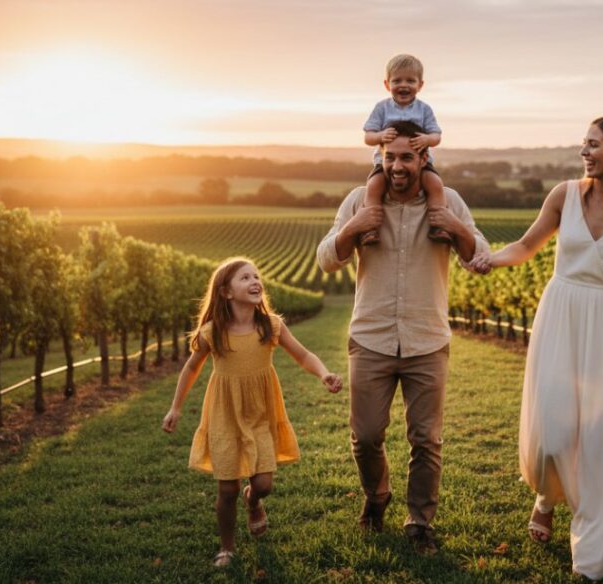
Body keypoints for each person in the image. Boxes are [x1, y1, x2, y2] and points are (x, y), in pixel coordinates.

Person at [470, 114, 603, 580]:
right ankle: (546, 496)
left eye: (593, 143)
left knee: (600, 438)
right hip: (560, 315)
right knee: (554, 433)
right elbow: (525, 244)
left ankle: (593, 553)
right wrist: (490, 260)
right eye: (584, 142)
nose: (584, 150)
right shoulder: (564, 194)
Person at [317, 121, 490, 555]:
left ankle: (419, 522)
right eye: (389, 157)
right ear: (380, 158)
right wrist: (354, 228)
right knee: (367, 436)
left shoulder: (447, 201)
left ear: (422, 159)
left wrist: (455, 226)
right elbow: (326, 261)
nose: (397, 165)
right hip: (371, 338)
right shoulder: (359, 199)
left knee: (426, 439)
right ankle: (376, 498)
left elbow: (478, 257)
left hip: (427, 340)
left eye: (406, 157)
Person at [162, 257, 343, 568]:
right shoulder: (212, 332)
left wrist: (323, 373)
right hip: (225, 414)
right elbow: (191, 368)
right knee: (226, 487)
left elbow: (302, 354)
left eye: (256, 276)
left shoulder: (269, 325)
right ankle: (227, 548)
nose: (255, 281)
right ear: (226, 292)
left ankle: (254, 500)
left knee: (264, 483)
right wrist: (175, 407)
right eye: (244, 278)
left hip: (260, 413)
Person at [360, 53, 452, 246]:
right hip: (384, 163)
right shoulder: (382, 108)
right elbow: (368, 137)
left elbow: (436, 136)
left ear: (420, 85)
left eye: (410, 80)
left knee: (434, 184)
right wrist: (380, 136)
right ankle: (370, 229)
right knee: (374, 186)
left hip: (421, 164)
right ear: (387, 85)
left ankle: (438, 227)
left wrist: (427, 138)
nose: (404, 85)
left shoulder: (424, 109)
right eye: (397, 80)